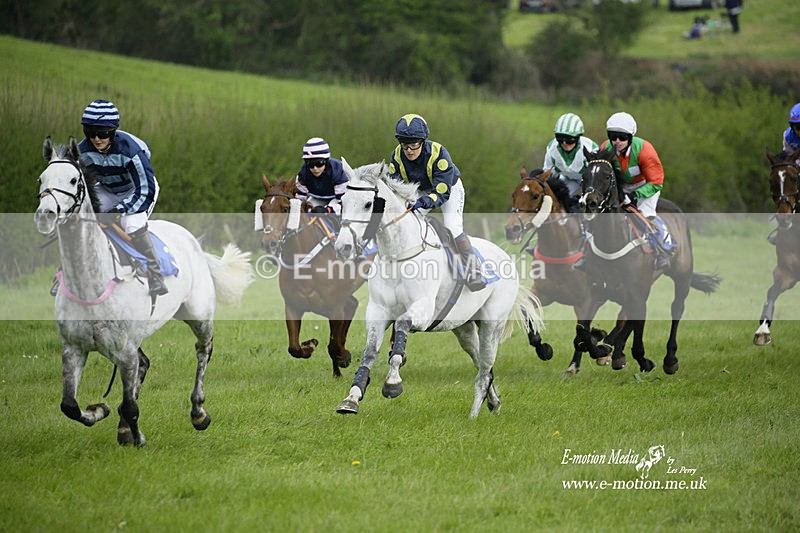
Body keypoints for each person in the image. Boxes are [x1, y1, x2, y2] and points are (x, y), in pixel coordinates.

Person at [78, 99, 168, 296]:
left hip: (137, 190)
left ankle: (156, 275)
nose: (96, 139)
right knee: (83, 218)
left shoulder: (131, 151)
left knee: (131, 225)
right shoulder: (82, 151)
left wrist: (117, 212)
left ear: (113, 132)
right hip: (107, 189)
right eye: (90, 132)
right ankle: (66, 273)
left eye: (103, 133)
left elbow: (145, 189)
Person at [388, 113, 485, 291]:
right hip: (419, 190)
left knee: (452, 226)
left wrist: (425, 201)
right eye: (404, 144)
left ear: (423, 141)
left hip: (448, 188)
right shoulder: (396, 157)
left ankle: (474, 270)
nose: (409, 150)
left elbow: (441, 191)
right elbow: (396, 189)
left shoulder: (439, 153)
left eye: (414, 144)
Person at [601, 111, 674, 270]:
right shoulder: (605, 148)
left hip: (645, 186)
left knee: (645, 215)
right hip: (620, 187)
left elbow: (656, 182)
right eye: (613, 136)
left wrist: (634, 195)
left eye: (622, 137)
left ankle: (661, 251)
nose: (617, 141)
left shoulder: (644, 150)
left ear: (630, 137)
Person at [542, 113, 598, 213]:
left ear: (578, 137)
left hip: (588, 181)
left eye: (569, 139)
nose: (564, 143)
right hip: (567, 179)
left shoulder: (591, 149)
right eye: (560, 138)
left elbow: (597, 178)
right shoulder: (551, 148)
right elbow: (547, 175)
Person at [767, 102, 800, 245]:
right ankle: (782, 229)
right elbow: (788, 157)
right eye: (797, 127)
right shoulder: (788, 136)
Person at [294, 137, 348, 214]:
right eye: (310, 164)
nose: (315, 168)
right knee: (309, 212)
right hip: (317, 198)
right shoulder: (303, 173)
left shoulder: (338, 170)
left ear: (326, 161)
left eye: (319, 163)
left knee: (329, 214)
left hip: (337, 198)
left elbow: (344, 202)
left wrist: (328, 210)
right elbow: (300, 199)